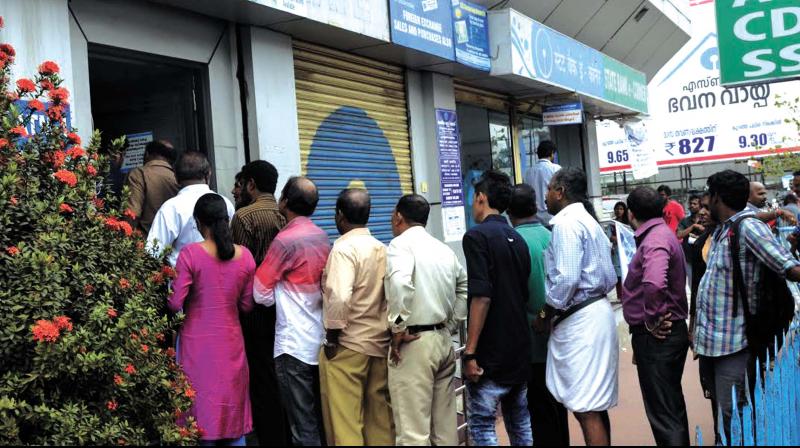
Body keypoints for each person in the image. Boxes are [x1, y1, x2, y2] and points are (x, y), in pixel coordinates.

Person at [694, 170, 800, 442]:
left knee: (736, 417)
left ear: (717, 196)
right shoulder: (723, 230)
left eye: (708, 194)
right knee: (724, 417)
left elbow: (788, 266)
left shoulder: (747, 227)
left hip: (734, 343)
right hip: (714, 345)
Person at [168, 193, 256, 446]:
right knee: (232, 414)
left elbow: (175, 303)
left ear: (198, 222)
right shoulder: (245, 256)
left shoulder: (190, 254)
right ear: (226, 220)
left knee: (200, 414)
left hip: (197, 345)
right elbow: (247, 304)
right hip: (231, 343)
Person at [540, 167, 618, 446]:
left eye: (549, 188)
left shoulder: (566, 223)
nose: (545, 195)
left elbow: (567, 278)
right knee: (593, 404)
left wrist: (544, 312)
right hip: (593, 314)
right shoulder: (587, 220)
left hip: (582, 318)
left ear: (560, 192)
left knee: (586, 408)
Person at [252, 177, 331, 446]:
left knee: (302, 424)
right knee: (318, 419)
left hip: (293, 346)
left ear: (284, 201)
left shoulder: (284, 241)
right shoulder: (321, 236)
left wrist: (282, 297)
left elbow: (259, 293)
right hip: (320, 341)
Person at [385, 194, 468, 446]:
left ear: (399, 216)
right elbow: (463, 287)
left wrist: (397, 327)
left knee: (412, 433)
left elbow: (400, 282)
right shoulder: (442, 249)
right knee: (444, 430)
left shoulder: (400, 245)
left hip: (415, 343)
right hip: (443, 341)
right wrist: (451, 325)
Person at [462, 170, 533, 446]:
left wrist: (470, 352)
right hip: (518, 348)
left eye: (473, 198)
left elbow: (482, 296)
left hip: (490, 351)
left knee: (482, 424)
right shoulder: (518, 239)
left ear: (481, 198)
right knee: (520, 421)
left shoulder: (476, 237)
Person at [319, 189, 394, 446]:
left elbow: (339, 296)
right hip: (379, 344)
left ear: (340, 215)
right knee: (380, 421)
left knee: (345, 423)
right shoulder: (381, 248)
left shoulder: (343, 249)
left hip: (348, 346)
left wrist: (331, 338)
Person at [622, 186, 690, 446]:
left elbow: (654, 283)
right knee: (669, 406)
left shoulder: (655, 239)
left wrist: (652, 317)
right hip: (663, 332)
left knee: (664, 412)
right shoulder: (661, 233)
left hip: (659, 334)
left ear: (630, 214)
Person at [230, 161, 289, 446]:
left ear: (251, 184)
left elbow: (240, 266)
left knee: (262, 378)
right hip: (288, 307)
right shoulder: (287, 214)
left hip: (255, 310)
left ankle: (269, 437)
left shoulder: (243, 217)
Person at [506, 184, 569, 446]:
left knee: (536, 412)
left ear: (509, 211)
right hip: (558, 336)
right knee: (557, 409)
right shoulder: (552, 235)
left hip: (530, 341)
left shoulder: (513, 242)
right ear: (535, 207)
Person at [147, 151, 235, 266]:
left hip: (183, 280)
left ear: (176, 178)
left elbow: (153, 253)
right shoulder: (225, 203)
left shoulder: (171, 208)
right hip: (223, 278)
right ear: (208, 174)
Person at [124, 140, 179, 233]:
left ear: (147, 154)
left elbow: (131, 215)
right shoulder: (179, 177)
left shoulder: (139, 174)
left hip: (147, 242)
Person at [525, 141, 561, 227]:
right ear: (552, 153)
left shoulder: (529, 172)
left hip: (535, 218)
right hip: (553, 217)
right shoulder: (556, 169)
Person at [609, 201, 630, 300]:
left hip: (626, 251)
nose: (618, 211)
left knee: (627, 272)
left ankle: (629, 294)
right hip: (616, 252)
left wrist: (618, 239)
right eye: (617, 209)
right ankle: (620, 296)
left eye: (621, 209)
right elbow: (609, 236)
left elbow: (629, 236)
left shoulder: (628, 223)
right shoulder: (612, 223)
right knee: (618, 275)